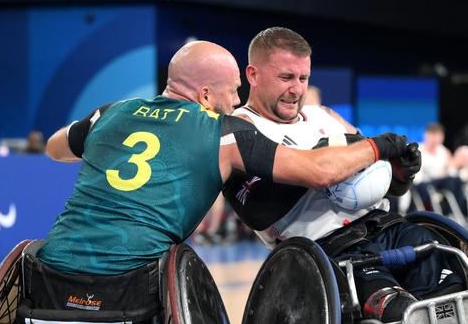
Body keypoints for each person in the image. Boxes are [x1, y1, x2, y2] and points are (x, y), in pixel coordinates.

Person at [38, 40, 410, 279]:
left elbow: (55, 148)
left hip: (57, 263)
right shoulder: (224, 130)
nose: (235, 101)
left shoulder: (112, 112)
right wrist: (382, 146)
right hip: (137, 274)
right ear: (203, 95)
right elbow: (318, 170)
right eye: (232, 92)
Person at [222, 28, 462, 324]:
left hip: (383, 225)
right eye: (286, 77)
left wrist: (399, 174)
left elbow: (373, 175)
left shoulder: (324, 116)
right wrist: (358, 153)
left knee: (451, 283)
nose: (297, 89)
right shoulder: (236, 132)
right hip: (325, 250)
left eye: (303, 77)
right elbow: (282, 196)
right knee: (396, 310)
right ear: (253, 74)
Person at [415, 123, 468, 216]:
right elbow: (417, 175)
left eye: (439, 135)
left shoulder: (443, 151)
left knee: (456, 180)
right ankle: (446, 213)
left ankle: (454, 212)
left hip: (439, 181)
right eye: (434, 135)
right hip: (423, 183)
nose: (436, 139)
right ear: (427, 135)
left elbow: (450, 170)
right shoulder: (419, 149)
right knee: (448, 181)